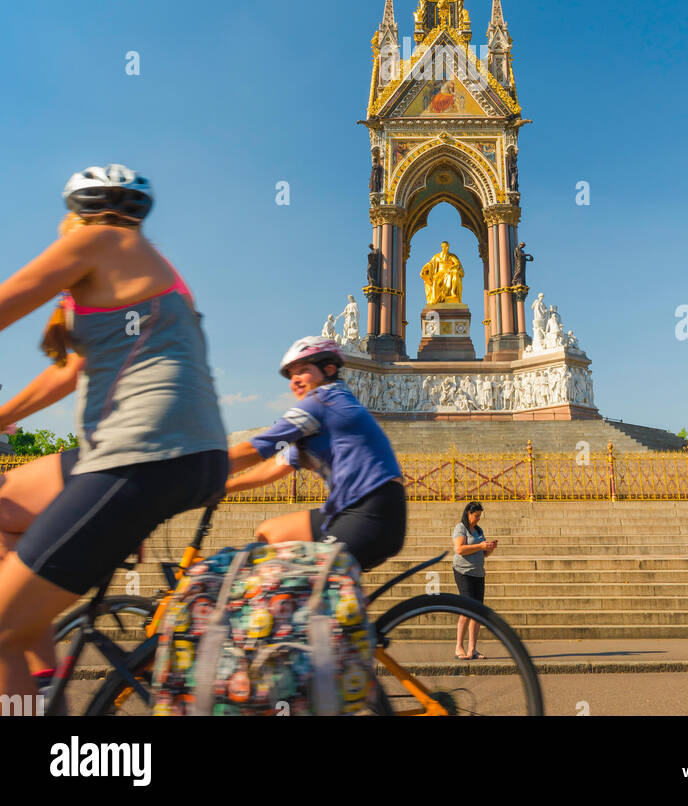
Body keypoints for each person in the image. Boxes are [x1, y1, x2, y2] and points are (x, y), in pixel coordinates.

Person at [0, 164, 228, 708]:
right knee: (5, 507)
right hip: (170, 452)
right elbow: (69, 371)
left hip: (143, 452)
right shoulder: (144, 264)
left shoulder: (96, 240)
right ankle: (43, 675)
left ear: (78, 212)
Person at [225, 336, 406, 571]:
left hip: (374, 512)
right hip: (346, 509)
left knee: (315, 576)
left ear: (329, 369)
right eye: (291, 375)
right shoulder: (326, 412)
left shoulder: (322, 402)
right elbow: (277, 464)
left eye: (303, 371)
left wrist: (201, 471)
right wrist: (225, 488)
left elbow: (257, 449)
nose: (295, 380)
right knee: (268, 534)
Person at [452, 502, 497, 660]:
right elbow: (459, 549)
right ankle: (459, 647)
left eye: (479, 516)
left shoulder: (479, 530)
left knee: (477, 612)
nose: (477, 519)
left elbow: (482, 554)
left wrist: (489, 548)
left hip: (478, 573)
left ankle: (472, 649)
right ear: (468, 513)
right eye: (475, 515)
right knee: (466, 609)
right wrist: (480, 546)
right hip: (463, 572)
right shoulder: (461, 528)